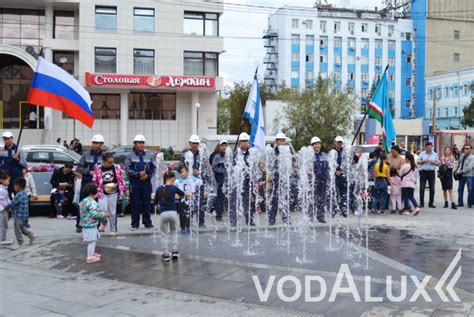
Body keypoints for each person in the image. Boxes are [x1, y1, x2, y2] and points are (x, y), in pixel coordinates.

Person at [154, 171, 189, 262]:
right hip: (173, 213)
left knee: (164, 234)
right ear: (172, 179)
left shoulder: (159, 189)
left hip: (163, 214)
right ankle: (175, 251)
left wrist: (158, 206)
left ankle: (165, 254)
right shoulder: (174, 188)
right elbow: (183, 194)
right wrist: (190, 195)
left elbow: (155, 202)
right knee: (173, 232)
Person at [92, 153, 128, 235]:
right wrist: (94, 191)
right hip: (102, 191)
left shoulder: (116, 167)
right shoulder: (98, 168)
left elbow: (121, 179)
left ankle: (113, 229)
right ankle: (103, 223)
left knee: (112, 211)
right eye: (108, 162)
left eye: (112, 162)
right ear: (103, 161)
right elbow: (94, 180)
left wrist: (125, 189)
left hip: (113, 191)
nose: (111, 164)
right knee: (102, 209)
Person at [126, 134, 156, 230]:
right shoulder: (130, 155)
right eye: (139, 143)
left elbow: (154, 167)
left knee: (147, 203)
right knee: (135, 204)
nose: (141, 145)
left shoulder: (150, 155)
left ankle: (147, 223)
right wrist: (138, 174)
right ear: (134, 144)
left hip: (146, 183)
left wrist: (148, 175)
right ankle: (135, 224)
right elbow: (127, 169)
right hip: (135, 184)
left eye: (142, 142)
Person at [76, 134, 105, 232]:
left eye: (97, 143)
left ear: (101, 144)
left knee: (97, 204)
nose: (94, 145)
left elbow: (108, 168)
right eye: (93, 142)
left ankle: (96, 224)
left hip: (98, 184)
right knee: (83, 203)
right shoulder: (85, 154)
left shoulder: (104, 156)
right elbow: (79, 167)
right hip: (86, 182)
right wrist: (88, 172)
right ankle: (80, 224)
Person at [179, 134, 206, 228]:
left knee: (200, 201)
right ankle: (188, 222)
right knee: (188, 201)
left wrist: (200, 171)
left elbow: (206, 167)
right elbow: (180, 167)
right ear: (190, 143)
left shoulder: (202, 154)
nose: (195, 145)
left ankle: (201, 222)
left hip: (198, 181)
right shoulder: (185, 154)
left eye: (197, 143)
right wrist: (189, 172)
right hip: (188, 182)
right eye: (193, 143)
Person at [79, 183, 109, 264]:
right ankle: (90, 257)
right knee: (92, 241)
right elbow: (94, 213)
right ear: (94, 193)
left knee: (93, 239)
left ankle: (92, 253)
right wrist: (103, 214)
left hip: (85, 224)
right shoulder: (93, 202)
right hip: (90, 224)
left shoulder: (83, 201)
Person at [4, 178, 36, 246]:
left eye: (14, 186)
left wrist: (6, 207)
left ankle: (20, 243)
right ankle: (31, 235)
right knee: (21, 228)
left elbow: (12, 203)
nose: (14, 187)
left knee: (17, 230)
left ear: (18, 186)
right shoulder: (25, 194)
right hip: (24, 216)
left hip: (19, 215)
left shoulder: (19, 195)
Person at [231, 133, 254, 226]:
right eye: (243, 141)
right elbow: (231, 167)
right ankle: (233, 221)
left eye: (246, 141)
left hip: (248, 181)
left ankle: (250, 220)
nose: (244, 143)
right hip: (237, 181)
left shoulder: (251, 153)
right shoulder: (235, 154)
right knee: (235, 201)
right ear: (239, 142)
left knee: (248, 201)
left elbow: (254, 167)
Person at [269, 132, 292, 225]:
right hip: (276, 178)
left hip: (285, 178)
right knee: (274, 199)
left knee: (286, 198)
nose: (281, 143)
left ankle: (286, 218)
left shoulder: (288, 151)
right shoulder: (272, 152)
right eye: (280, 141)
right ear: (276, 141)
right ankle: (272, 218)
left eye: (283, 141)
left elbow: (291, 164)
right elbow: (269, 164)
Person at [0, 131, 28, 198]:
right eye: (4, 139)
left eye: (8, 139)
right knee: (5, 198)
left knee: (18, 197)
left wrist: (17, 159)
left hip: (17, 178)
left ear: (12, 138)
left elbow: (25, 164)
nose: (6, 141)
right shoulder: (2, 151)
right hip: (6, 179)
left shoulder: (20, 150)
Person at [175, 166, 201, 234]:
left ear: (187, 172)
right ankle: (183, 228)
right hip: (183, 199)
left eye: (183, 171)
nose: (181, 173)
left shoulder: (193, 179)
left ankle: (189, 227)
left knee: (191, 213)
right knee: (182, 214)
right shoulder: (178, 181)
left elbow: (200, 183)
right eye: (181, 172)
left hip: (191, 199)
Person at [329, 136, 349, 218]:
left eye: (340, 142)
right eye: (338, 142)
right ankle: (333, 209)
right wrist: (335, 171)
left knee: (344, 193)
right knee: (335, 193)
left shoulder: (344, 152)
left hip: (342, 175)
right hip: (334, 176)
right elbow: (330, 164)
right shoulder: (332, 152)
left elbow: (347, 163)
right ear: (335, 142)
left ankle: (343, 209)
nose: (339, 144)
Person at [311, 136, 328, 223]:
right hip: (313, 181)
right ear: (312, 145)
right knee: (312, 198)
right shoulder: (309, 156)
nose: (317, 146)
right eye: (315, 144)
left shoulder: (325, 155)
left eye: (318, 144)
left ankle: (320, 216)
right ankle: (310, 216)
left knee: (321, 199)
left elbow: (329, 167)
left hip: (323, 180)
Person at [210, 140, 228, 221]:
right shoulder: (216, 157)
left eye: (225, 146)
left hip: (226, 179)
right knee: (219, 197)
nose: (224, 147)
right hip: (219, 179)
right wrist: (222, 168)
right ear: (219, 147)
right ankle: (218, 214)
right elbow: (214, 168)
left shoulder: (228, 155)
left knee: (225, 197)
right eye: (222, 146)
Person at [417, 142, 438, 208]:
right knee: (422, 188)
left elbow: (438, 163)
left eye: (430, 147)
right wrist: (423, 161)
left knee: (432, 188)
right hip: (423, 172)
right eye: (427, 147)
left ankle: (431, 203)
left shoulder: (435, 154)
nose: (429, 149)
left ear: (432, 147)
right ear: (425, 147)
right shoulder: (422, 153)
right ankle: (421, 203)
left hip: (431, 172)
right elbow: (418, 162)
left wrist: (432, 162)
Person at [0, 171, 12, 246]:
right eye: (7, 180)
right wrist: (6, 208)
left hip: (5, 210)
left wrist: (10, 206)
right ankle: (1, 239)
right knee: (1, 225)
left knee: (5, 224)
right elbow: (1, 201)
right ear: (2, 180)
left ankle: (3, 238)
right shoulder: (1, 190)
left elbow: (7, 199)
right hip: (1, 210)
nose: (9, 182)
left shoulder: (5, 189)